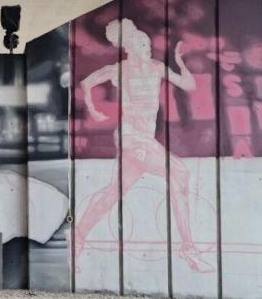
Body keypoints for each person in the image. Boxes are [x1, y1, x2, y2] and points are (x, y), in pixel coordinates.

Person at [75, 18, 212, 273]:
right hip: (131, 138)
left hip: (143, 140)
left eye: (147, 43)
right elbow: (87, 82)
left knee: (112, 193)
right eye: (141, 43)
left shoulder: (157, 67)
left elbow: (188, 85)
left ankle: (78, 236)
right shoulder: (120, 69)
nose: (146, 47)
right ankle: (188, 248)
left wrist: (179, 61)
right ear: (129, 46)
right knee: (179, 173)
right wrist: (92, 110)